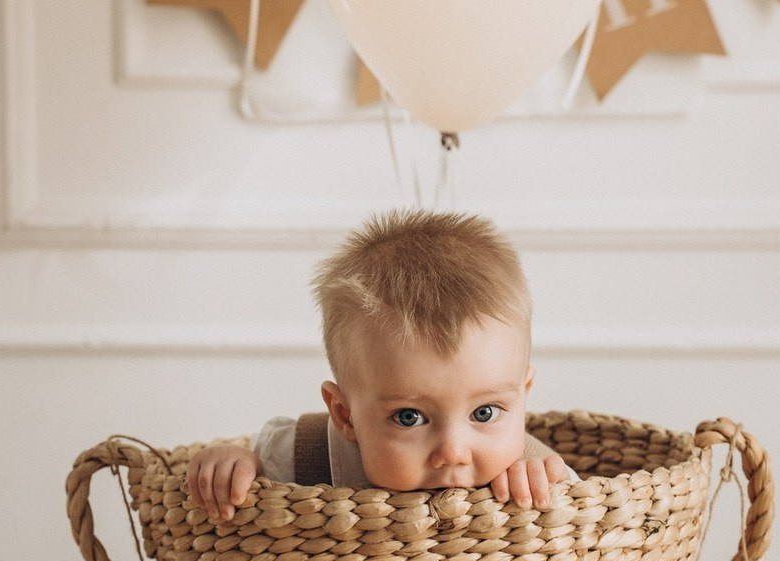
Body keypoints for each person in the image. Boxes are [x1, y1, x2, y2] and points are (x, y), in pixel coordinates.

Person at [187, 209, 572, 521]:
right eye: (408, 417)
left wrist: (548, 486)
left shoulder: (526, 464)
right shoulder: (306, 452)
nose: (453, 452)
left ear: (523, 395)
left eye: (485, 413)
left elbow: (582, 514)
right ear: (345, 415)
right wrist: (233, 467)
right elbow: (254, 476)